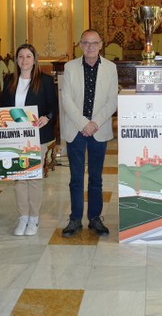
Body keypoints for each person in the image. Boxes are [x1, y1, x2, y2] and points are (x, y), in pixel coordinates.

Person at [60, 29, 118, 237]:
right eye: (86, 43)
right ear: (80, 45)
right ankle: (75, 219)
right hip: (75, 129)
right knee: (76, 177)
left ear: (101, 45)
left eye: (94, 43)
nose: (90, 47)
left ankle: (95, 218)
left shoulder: (110, 68)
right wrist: (84, 123)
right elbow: (66, 99)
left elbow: (112, 100)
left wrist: (94, 123)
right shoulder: (70, 67)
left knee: (96, 178)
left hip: (99, 130)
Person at [0, 44, 57, 236]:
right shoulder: (9, 80)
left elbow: (53, 106)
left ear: (34, 59)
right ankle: (23, 217)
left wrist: (47, 117)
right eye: (20, 56)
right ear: (16, 60)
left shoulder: (45, 80)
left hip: (37, 135)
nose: (24, 60)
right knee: (20, 178)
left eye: (28, 56)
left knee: (34, 178)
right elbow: (3, 107)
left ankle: (34, 218)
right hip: (15, 137)